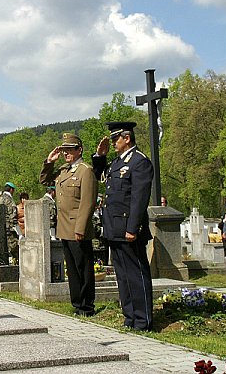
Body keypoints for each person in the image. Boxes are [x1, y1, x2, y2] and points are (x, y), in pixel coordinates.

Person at [92, 122, 153, 330]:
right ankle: (130, 317)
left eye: (115, 139)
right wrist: (99, 156)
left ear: (126, 138)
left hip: (129, 228)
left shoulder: (139, 162)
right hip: (114, 228)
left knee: (136, 274)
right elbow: (100, 177)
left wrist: (132, 228)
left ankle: (143, 320)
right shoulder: (116, 162)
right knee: (122, 276)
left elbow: (139, 198)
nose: (112, 143)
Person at [40, 133, 97, 317]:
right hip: (64, 227)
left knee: (83, 268)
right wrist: (49, 162)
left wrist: (80, 228)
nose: (66, 154)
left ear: (79, 150)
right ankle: (77, 303)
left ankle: (87, 306)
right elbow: (45, 181)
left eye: (69, 150)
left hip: (77, 227)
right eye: (64, 150)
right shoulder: (64, 170)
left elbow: (87, 202)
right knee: (72, 269)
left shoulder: (85, 171)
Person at [0, 182, 19, 262]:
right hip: (10, 230)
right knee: (15, 251)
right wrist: (19, 233)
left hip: (1, 229)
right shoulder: (9, 200)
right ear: (11, 190)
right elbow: (13, 217)